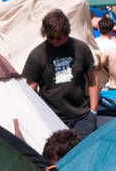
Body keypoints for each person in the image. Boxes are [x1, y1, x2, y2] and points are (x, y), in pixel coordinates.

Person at [22, 8, 99, 136]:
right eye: (50, 37)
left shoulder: (81, 49)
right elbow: (31, 89)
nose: (55, 41)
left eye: (59, 37)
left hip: (82, 118)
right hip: (52, 119)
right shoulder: (37, 55)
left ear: (66, 32)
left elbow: (93, 81)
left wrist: (93, 113)